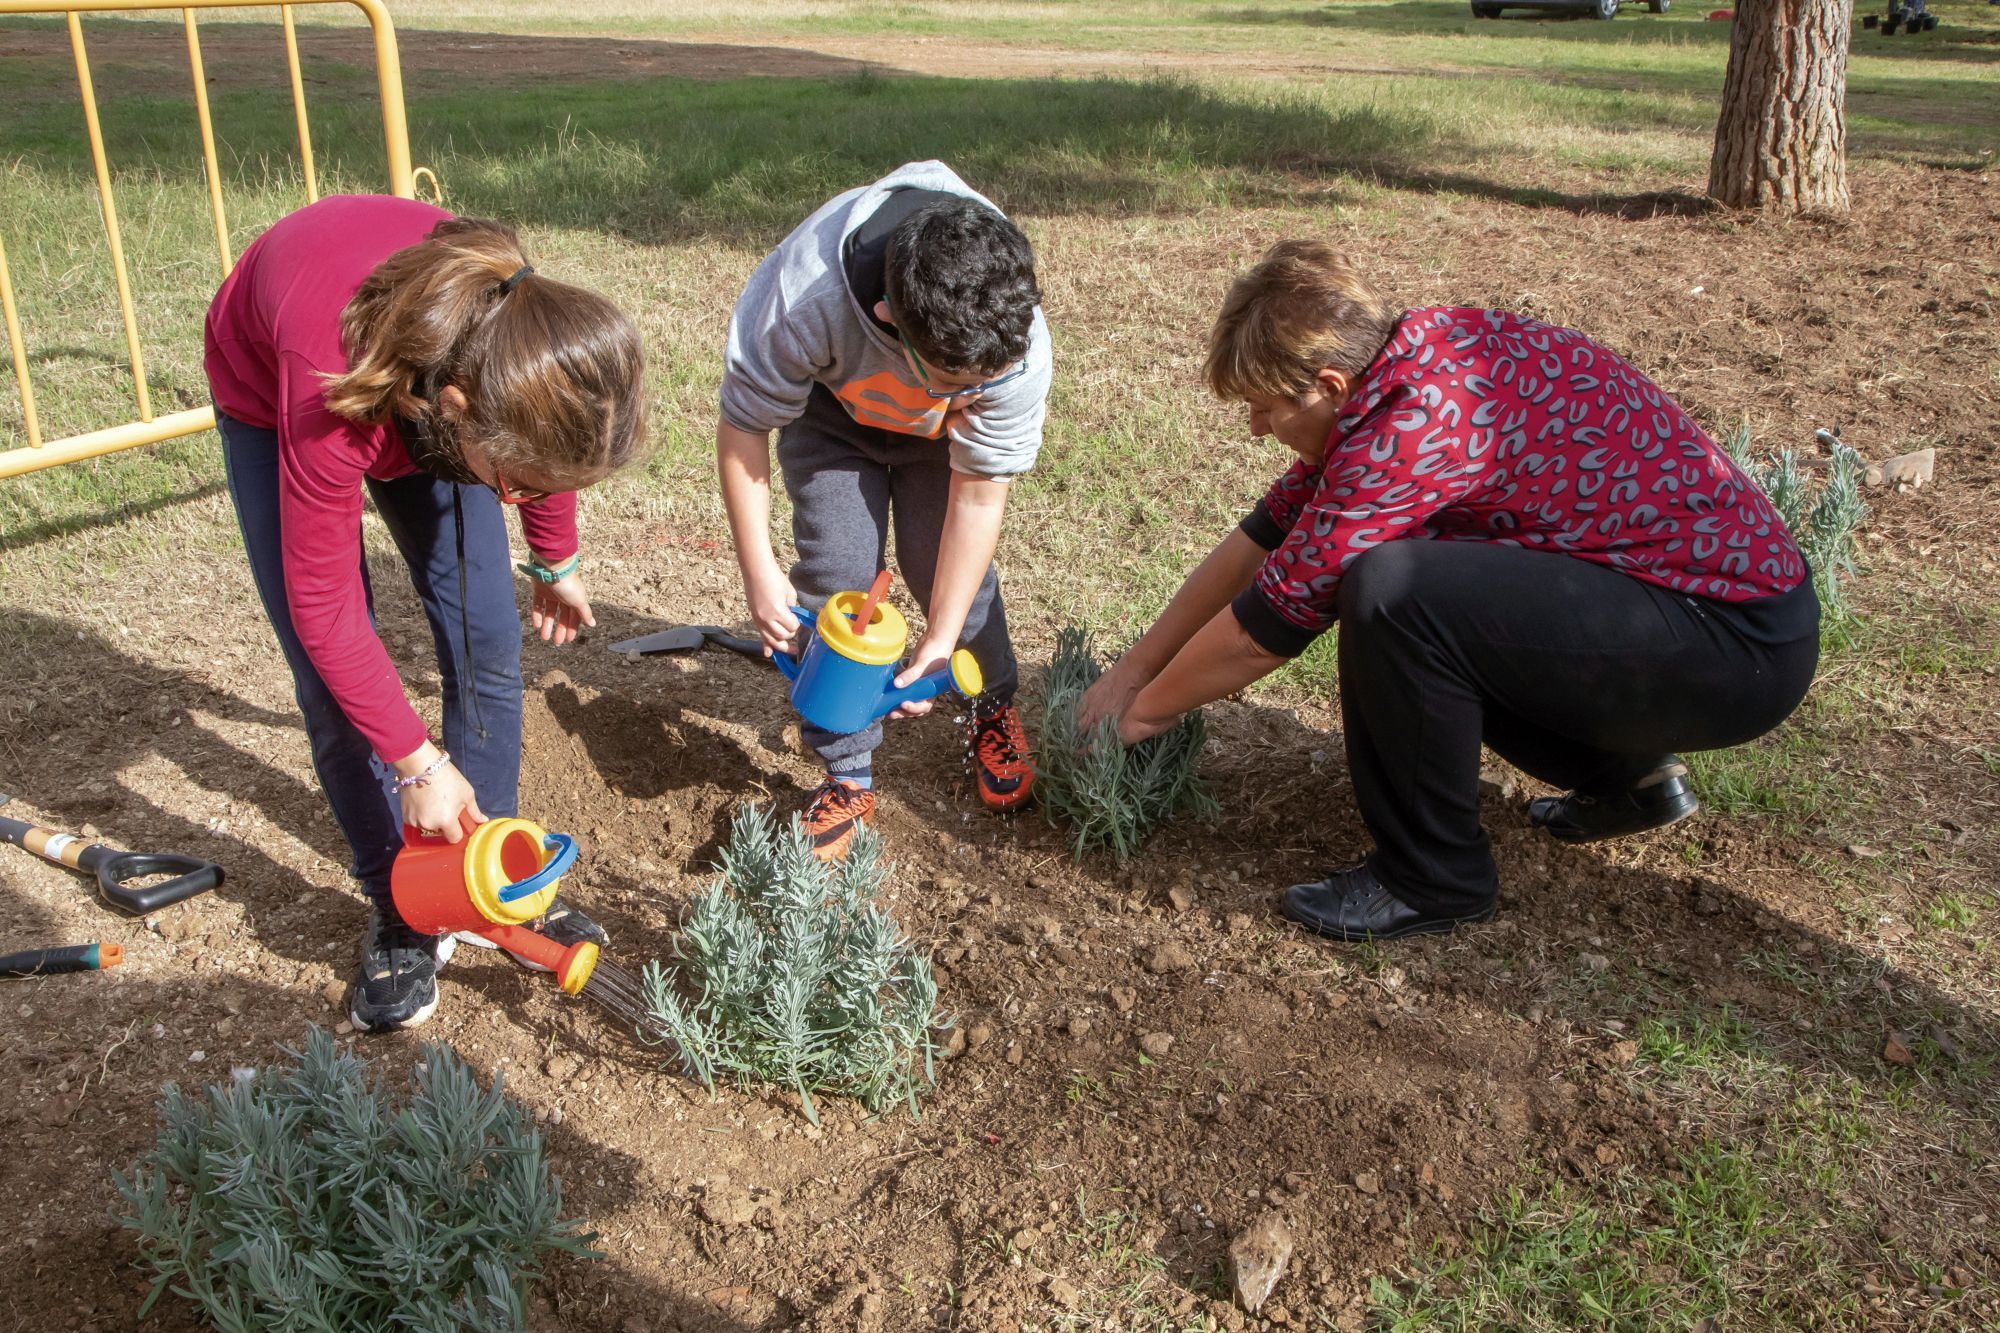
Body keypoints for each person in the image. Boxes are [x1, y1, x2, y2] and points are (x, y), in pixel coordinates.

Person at [1082, 240, 1818, 941]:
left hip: (1729, 643)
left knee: (1392, 590)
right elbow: (1258, 544)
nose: (1254, 427)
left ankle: (1432, 876)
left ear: (1328, 386)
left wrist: (1136, 719)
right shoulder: (1408, 365)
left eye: (1265, 406)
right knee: (1444, 595)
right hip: (1708, 621)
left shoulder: (1409, 431)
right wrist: (1134, 668)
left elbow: (1263, 627)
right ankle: (1627, 778)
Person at [206, 194, 647, 1029]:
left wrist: (555, 557)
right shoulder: (327, 372)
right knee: (335, 688)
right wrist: (415, 761)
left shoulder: (513, 336)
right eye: (515, 485)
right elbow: (326, 610)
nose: (523, 498)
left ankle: (485, 877)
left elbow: (550, 450)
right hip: (283, 392)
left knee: (485, 634)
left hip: (432, 386)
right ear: (455, 411)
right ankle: (401, 904)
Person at [717, 160, 1052, 860]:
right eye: (962, 383)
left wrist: (942, 633)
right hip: (834, 418)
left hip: (940, 444)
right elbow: (743, 423)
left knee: (948, 573)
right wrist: (757, 569)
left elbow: (981, 491)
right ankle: (848, 773)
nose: (979, 394)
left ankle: (990, 706)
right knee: (839, 584)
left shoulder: (1007, 337)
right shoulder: (803, 295)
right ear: (889, 318)